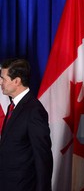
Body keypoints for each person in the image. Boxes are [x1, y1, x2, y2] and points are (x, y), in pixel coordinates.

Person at [0, 58, 53, 191]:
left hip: (23, 186)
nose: (0, 83)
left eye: (3, 79)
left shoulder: (34, 110)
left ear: (17, 81)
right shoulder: (13, 106)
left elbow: (43, 156)